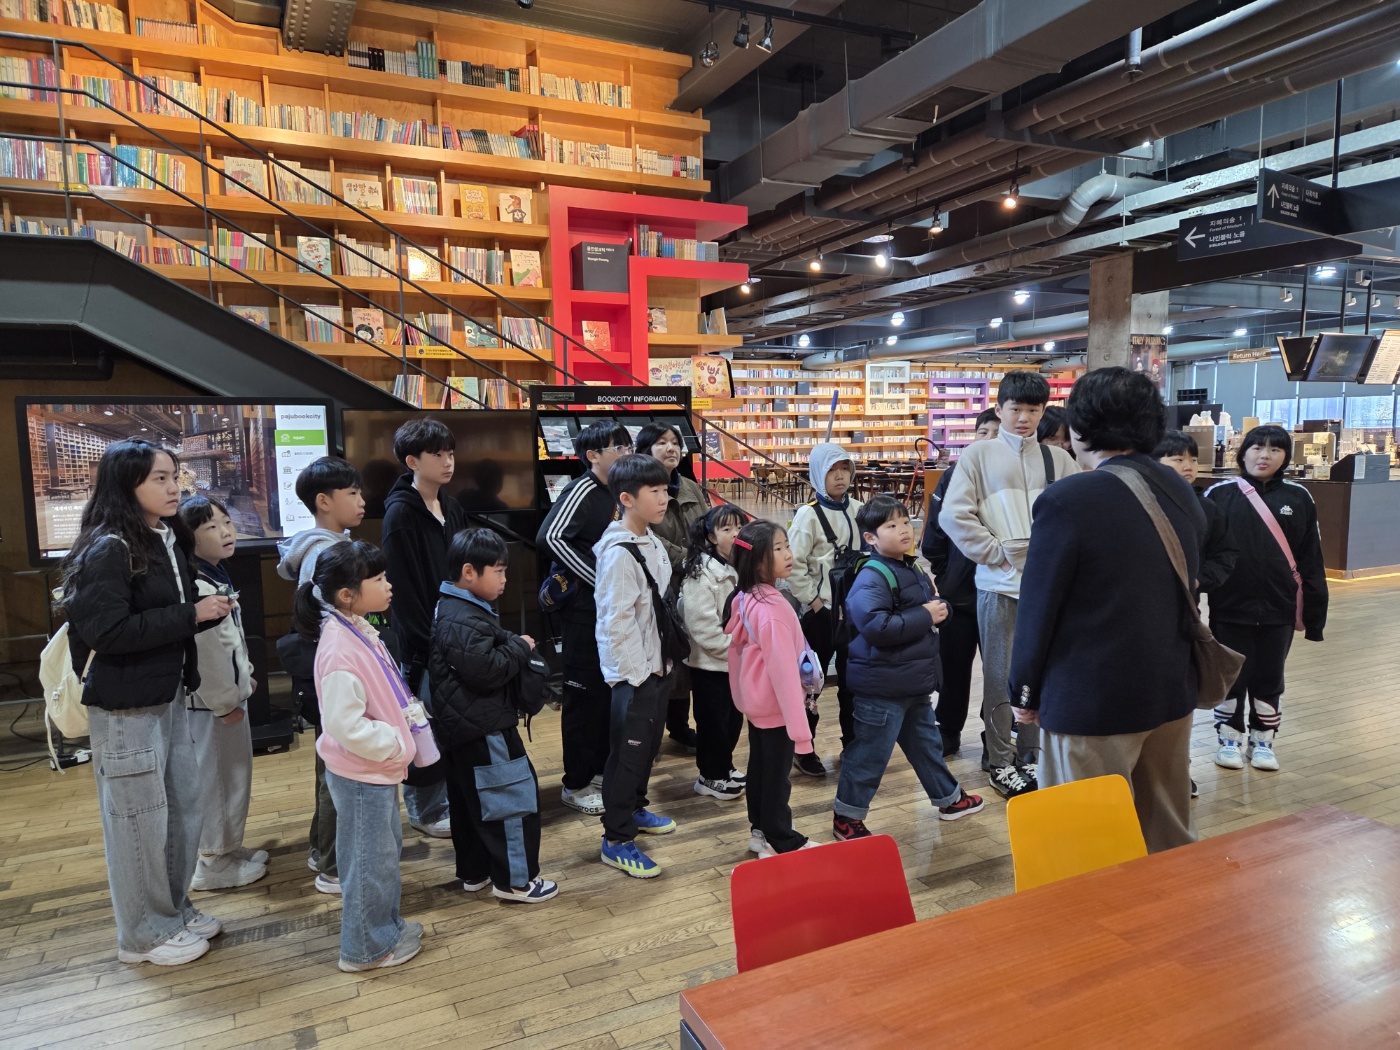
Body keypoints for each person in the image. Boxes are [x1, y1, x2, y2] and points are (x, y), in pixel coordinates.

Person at [1008, 367, 1203, 853]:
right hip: (1171, 684)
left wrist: (1023, 689)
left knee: (1085, 843)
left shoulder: (1068, 498)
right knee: (1168, 833)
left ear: (1079, 427)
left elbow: (1039, 606)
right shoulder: (1177, 486)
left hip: (1090, 696)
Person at [62, 439, 234, 966]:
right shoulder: (110, 547)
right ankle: (142, 934)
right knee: (138, 820)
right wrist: (192, 615)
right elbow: (108, 631)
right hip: (124, 706)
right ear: (126, 483)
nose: (173, 487)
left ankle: (173, 910)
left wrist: (199, 614)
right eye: (159, 478)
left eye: (174, 476)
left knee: (180, 809)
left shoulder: (161, 536)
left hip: (165, 694)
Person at [940, 371, 1078, 799]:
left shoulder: (1059, 460)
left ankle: (1031, 755)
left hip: (1049, 590)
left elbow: (1078, 516)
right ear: (999, 409)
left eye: (1033, 410)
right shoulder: (978, 455)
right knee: (1000, 676)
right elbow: (953, 516)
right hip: (998, 587)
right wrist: (997, 553)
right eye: (1015, 408)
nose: (1024, 418)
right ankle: (1000, 760)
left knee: (1042, 673)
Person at [296, 540, 424, 972]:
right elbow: (344, 725)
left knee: (381, 855)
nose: (389, 586)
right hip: (363, 771)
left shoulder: (354, 627)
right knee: (368, 861)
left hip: (374, 769)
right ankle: (366, 948)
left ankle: (384, 929)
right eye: (379, 579)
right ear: (347, 594)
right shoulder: (339, 648)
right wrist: (393, 742)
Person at [834, 496, 984, 840]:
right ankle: (847, 817)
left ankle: (949, 799)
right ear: (870, 538)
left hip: (912, 681)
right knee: (869, 755)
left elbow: (926, 605)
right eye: (891, 525)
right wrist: (926, 615)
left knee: (927, 746)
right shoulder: (872, 576)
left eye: (905, 522)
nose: (904, 530)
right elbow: (877, 627)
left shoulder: (910, 567)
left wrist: (941, 609)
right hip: (882, 687)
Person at [430, 528, 559, 903]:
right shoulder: (462, 616)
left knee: (471, 802)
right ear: (469, 572)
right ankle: (516, 881)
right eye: (499, 571)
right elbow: (487, 670)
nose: (504, 579)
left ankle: (476, 872)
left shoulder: (453, 606)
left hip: (463, 725)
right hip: (484, 725)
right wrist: (520, 646)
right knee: (511, 799)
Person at [1204, 425, 1328, 772]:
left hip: (1279, 607)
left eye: (1275, 449)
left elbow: (1311, 557)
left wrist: (1315, 617)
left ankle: (1263, 740)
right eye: (1257, 447)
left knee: (1270, 677)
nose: (1264, 455)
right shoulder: (1219, 494)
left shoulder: (1299, 497)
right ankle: (1229, 738)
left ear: (1285, 457)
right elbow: (1204, 553)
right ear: (1243, 452)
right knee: (1230, 675)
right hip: (1229, 607)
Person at [275, 455, 365, 893]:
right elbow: (329, 621)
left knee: (331, 762)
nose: (362, 501)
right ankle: (333, 865)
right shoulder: (324, 552)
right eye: (353, 493)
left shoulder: (326, 545)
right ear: (324, 501)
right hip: (337, 674)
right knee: (340, 766)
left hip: (331, 674)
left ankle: (321, 849)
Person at [536, 420, 633, 816]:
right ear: (593, 455)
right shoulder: (581, 489)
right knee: (581, 696)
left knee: (604, 692)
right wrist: (600, 577)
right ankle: (574, 783)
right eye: (618, 448)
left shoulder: (618, 491)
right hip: (581, 611)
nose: (626, 454)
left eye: (628, 447)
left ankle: (596, 770)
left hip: (608, 610)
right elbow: (550, 537)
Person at [594, 454, 679, 878]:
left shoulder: (651, 539)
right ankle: (616, 838)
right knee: (627, 757)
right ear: (626, 498)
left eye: (665, 489)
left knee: (646, 749)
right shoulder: (619, 553)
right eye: (654, 491)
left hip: (657, 666)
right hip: (635, 675)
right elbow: (615, 622)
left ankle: (635, 808)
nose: (664, 498)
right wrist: (636, 677)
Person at [381, 418, 464, 840]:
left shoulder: (452, 507)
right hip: (423, 643)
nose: (448, 462)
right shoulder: (400, 514)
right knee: (421, 724)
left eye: (450, 453)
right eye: (437, 455)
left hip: (456, 632)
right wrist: (429, 643)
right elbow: (404, 592)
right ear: (412, 461)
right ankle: (426, 810)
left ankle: (449, 801)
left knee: (451, 723)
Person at [180, 496, 266, 891]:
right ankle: (212, 863)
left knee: (233, 777)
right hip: (211, 706)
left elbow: (231, 644)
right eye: (211, 527)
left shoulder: (214, 574)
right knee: (216, 780)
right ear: (190, 538)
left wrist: (244, 680)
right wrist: (225, 702)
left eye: (226, 522)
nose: (226, 532)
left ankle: (227, 849)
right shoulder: (198, 585)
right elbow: (209, 656)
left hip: (225, 699)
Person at [724, 520, 820, 856]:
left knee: (761, 769)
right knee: (777, 776)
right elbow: (783, 674)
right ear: (757, 561)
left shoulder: (748, 596)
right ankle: (781, 839)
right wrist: (801, 732)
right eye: (777, 549)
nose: (788, 554)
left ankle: (760, 831)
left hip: (758, 702)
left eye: (787, 546)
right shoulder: (773, 610)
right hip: (776, 704)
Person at [920, 407, 998, 755]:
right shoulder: (955, 474)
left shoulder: (1015, 476)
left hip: (1002, 591)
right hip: (958, 593)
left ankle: (995, 737)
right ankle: (948, 729)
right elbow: (935, 529)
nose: (989, 439)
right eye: (983, 432)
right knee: (953, 665)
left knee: (999, 672)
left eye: (997, 433)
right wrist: (945, 572)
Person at [787, 441, 864, 774]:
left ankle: (853, 744)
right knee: (811, 683)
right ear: (818, 473)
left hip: (856, 612)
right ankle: (803, 748)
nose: (840, 476)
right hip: (821, 613)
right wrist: (814, 602)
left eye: (845, 469)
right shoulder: (807, 515)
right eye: (832, 470)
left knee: (853, 683)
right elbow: (793, 564)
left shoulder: (859, 509)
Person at [635, 422, 709, 752]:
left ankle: (679, 726)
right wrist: (688, 558)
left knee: (686, 656)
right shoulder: (637, 491)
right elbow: (646, 537)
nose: (671, 448)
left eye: (675, 442)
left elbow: (708, 528)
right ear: (645, 451)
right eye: (662, 443)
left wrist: (706, 558)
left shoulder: (691, 487)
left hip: (695, 584)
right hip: (658, 586)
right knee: (662, 658)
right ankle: (650, 734)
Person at [680, 504, 750, 801]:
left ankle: (724, 766)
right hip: (710, 665)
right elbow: (703, 628)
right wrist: (737, 649)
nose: (736, 534)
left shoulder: (739, 566)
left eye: (740, 527)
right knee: (713, 724)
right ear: (711, 537)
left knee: (732, 721)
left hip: (734, 662)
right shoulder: (700, 573)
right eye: (727, 529)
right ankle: (710, 776)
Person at [1154, 431, 1237, 595]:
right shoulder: (1140, 501)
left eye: (1194, 460)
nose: (1188, 467)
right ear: (1153, 463)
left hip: (1187, 598)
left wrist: (1199, 580)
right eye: (1179, 460)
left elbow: (1224, 552)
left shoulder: (1207, 507)